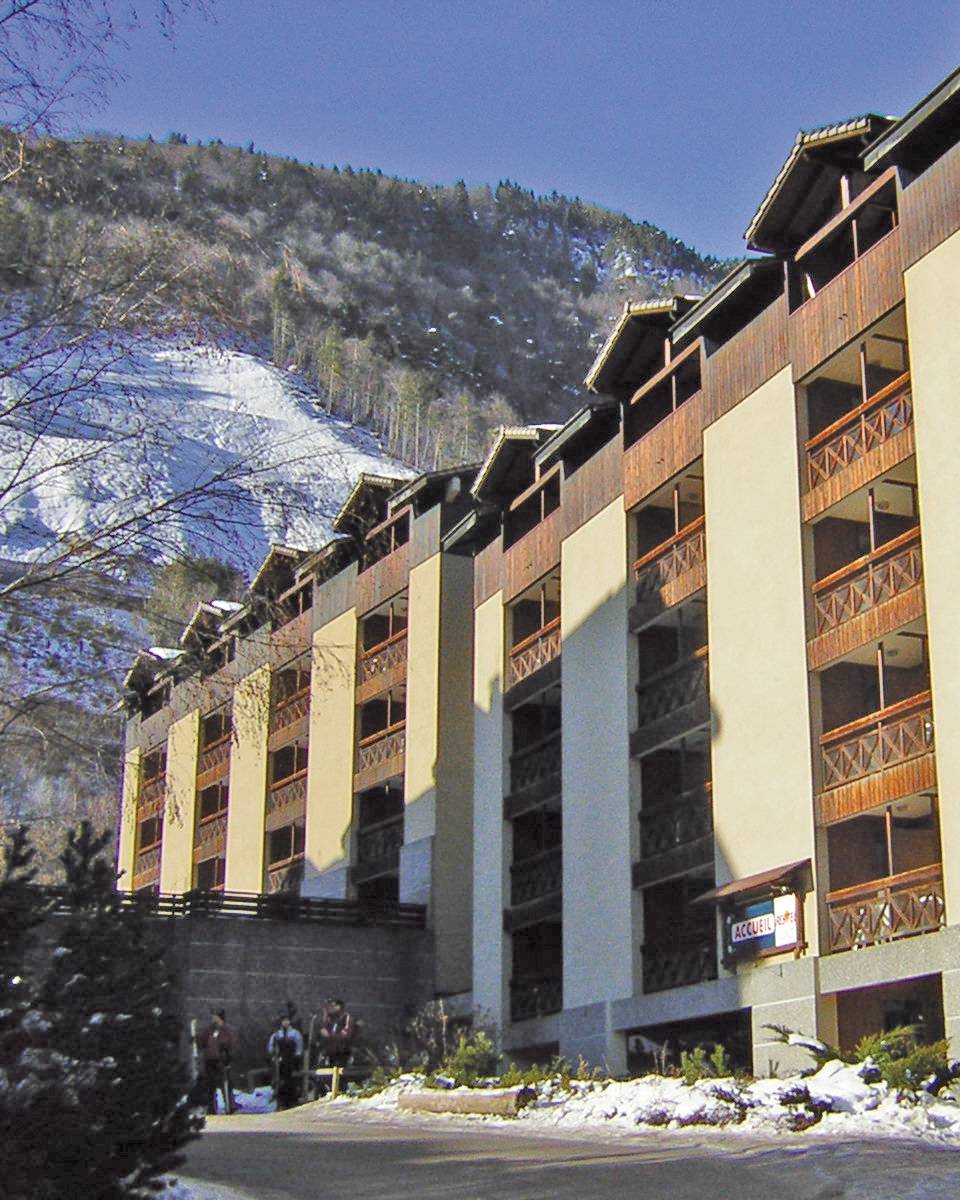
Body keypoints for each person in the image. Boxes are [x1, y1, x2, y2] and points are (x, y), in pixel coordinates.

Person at [198, 1007, 236, 1114]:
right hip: (210, 1060)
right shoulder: (209, 1030)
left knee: (226, 1084)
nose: (213, 1018)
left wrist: (228, 1056)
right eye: (213, 1016)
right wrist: (197, 1039)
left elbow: (231, 1043)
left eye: (215, 1016)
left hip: (222, 1060)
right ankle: (212, 1108)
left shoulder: (226, 1029)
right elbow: (202, 1041)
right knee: (211, 1085)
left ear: (220, 1017)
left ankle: (229, 1106)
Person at [267, 1013, 304, 1110]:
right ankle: (281, 1100)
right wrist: (273, 1054)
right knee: (280, 1080)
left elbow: (299, 1046)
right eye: (284, 1021)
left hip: (291, 1060)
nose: (285, 1022)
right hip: (280, 1060)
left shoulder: (295, 1033)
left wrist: (297, 1057)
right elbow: (271, 1047)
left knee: (291, 1080)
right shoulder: (277, 1034)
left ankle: (292, 1100)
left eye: (287, 1020)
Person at [318, 997, 354, 1067]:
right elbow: (324, 1031)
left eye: (332, 1006)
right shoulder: (332, 1019)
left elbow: (345, 1035)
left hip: (342, 1052)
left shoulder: (347, 1018)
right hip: (330, 1052)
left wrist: (329, 1035)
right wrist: (325, 1014)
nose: (330, 1008)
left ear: (339, 1007)